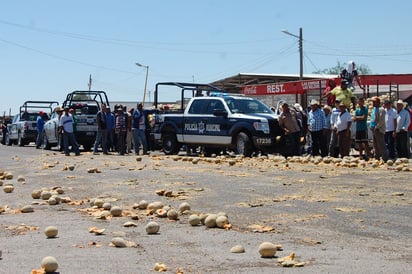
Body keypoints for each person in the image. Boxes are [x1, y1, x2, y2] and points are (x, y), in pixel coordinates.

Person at [370, 96, 388, 161]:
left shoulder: (381, 110)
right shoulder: (374, 109)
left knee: (381, 144)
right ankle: (376, 156)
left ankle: (384, 157)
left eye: (374, 102)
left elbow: (381, 120)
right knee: (375, 144)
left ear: (378, 102)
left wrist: (377, 127)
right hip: (374, 128)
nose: (373, 103)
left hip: (379, 129)